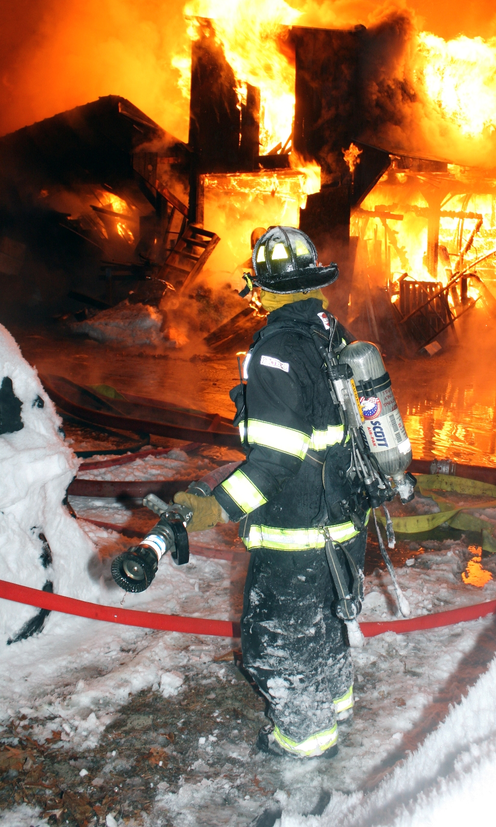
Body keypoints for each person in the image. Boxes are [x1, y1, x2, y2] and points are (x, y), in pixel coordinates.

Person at [175, 226, 366, 760]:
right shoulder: (333, 332)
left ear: (261, 288)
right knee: (324, 619)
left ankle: (304, 742)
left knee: (278, 639)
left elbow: (276, 460)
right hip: (345, 522)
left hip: (298, 531)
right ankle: (337, 701)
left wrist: (218, 506)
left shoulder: (277, 351)